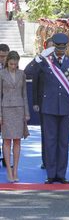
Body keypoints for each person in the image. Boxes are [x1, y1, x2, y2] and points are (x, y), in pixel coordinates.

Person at [25, 33, 69, 184]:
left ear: (67, 47)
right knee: (50, 141)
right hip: (48, 107)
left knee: (63, 142)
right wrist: (40, 57)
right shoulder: (45, 63)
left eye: (63, 48)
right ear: (54, 48)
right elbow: (27, 71)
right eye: (58, 48)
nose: (61, 51)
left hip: (65, 107)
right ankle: (51, 173)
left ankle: (61, 174)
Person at [0, 51, 30, 182]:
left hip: (19, 109)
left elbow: (25, 94)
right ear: (7, 62)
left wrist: (27, 112)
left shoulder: (21, 74)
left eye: (15, 64)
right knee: (7, 140)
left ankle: (15, 170)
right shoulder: (1, 74)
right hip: (5, 109)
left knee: (17, 140)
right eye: (11, 64)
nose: (13, 66)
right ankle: (8, 172)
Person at [32, 37, 54, 169]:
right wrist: (35, 101)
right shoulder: (40, 62)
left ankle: (55, 161)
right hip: (43, 103)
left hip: (57, 103)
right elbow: (35, 82)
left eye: (54, 48)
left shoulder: (61, 62)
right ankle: (46, 161)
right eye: (49, 48)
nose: (51, 51)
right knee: (45, 134)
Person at [0, 44, 10, 167]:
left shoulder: (11, 66)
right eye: (1, 56)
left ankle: (6, 158)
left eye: (5, 56)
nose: (3, 59)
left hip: (8, 105)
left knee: (7, 134)